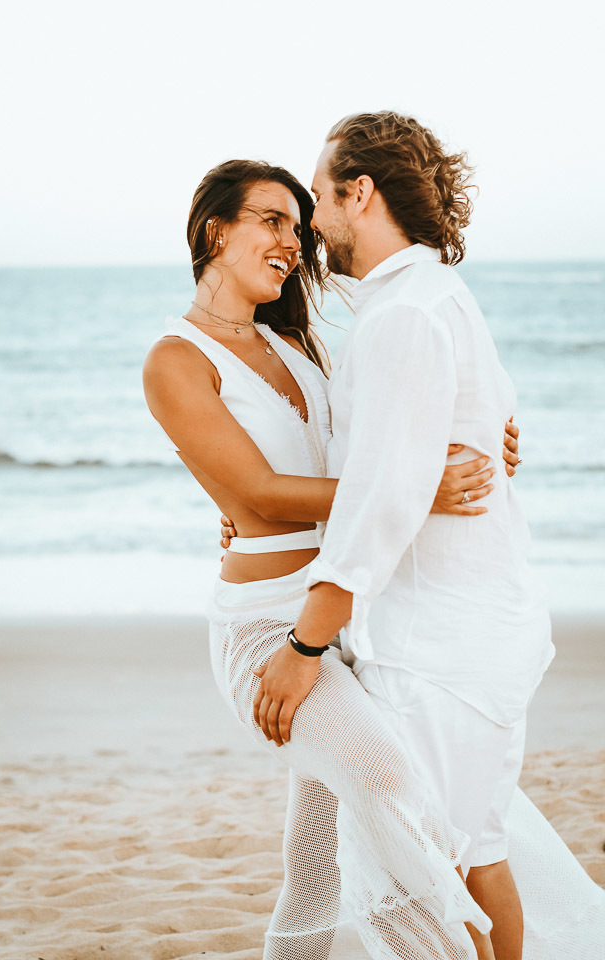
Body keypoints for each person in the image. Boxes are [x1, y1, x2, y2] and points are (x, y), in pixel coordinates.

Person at [247, 112, 605, 959]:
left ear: (360, 192)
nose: (310, 220)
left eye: (319, 194)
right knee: (473, 856)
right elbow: (469, 430)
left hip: (439, 643)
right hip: (473, 626)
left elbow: (380, 506)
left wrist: (305, 645)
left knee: (435, 869)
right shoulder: (435, 296)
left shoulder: (403, 313)